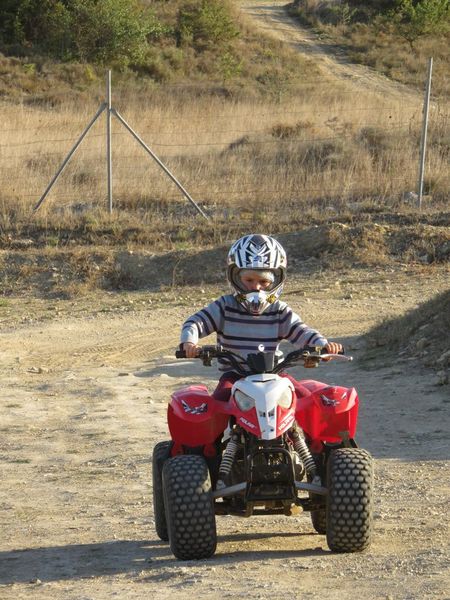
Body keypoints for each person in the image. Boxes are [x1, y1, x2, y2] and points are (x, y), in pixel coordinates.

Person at [180, 234, 342, 402]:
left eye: (264, 281)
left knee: (305, 401)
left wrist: (322, 345)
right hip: (235, 376)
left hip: (275, 375)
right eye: (249, 280)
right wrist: (189, 343)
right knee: (218, 403)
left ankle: (299, 429)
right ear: (235, 277)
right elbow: (195, 322)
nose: (256, 287)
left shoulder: (279, 310)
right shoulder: (224, 307)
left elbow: (302, 331)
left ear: (276, 281)